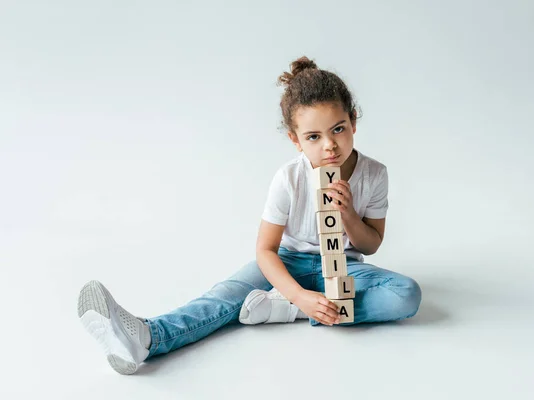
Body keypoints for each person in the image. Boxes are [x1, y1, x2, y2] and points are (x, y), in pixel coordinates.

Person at [77, 56, 422, 375]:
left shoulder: (374, 174)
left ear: (353, 122)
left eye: (338, 129)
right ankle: (148, 336)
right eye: (313, 136)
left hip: (345, 266)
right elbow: (265, 250)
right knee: (225, 296)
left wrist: (347, 216)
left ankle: (291, 310)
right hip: (286, 261)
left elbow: (372, 243)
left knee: (406, 294)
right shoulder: (289, 178)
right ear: (295, 140)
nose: (329, 145)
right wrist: (298, 291)